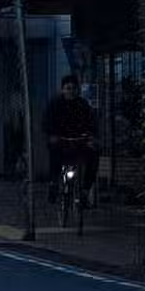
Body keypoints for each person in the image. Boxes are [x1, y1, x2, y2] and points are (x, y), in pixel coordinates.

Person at [43, 74, 99, 204]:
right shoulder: (55, 105)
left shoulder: (83, 105)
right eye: (68, 88)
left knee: (93, 155)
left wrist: (91, 137)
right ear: (62, 89)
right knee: (54, 155)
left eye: (74, 88)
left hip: (79, 141)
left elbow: (92, 122)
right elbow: (47, 121)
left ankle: (85, 190)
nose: (71, 91)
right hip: (61, 141)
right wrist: (52, 135)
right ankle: (53, 183)